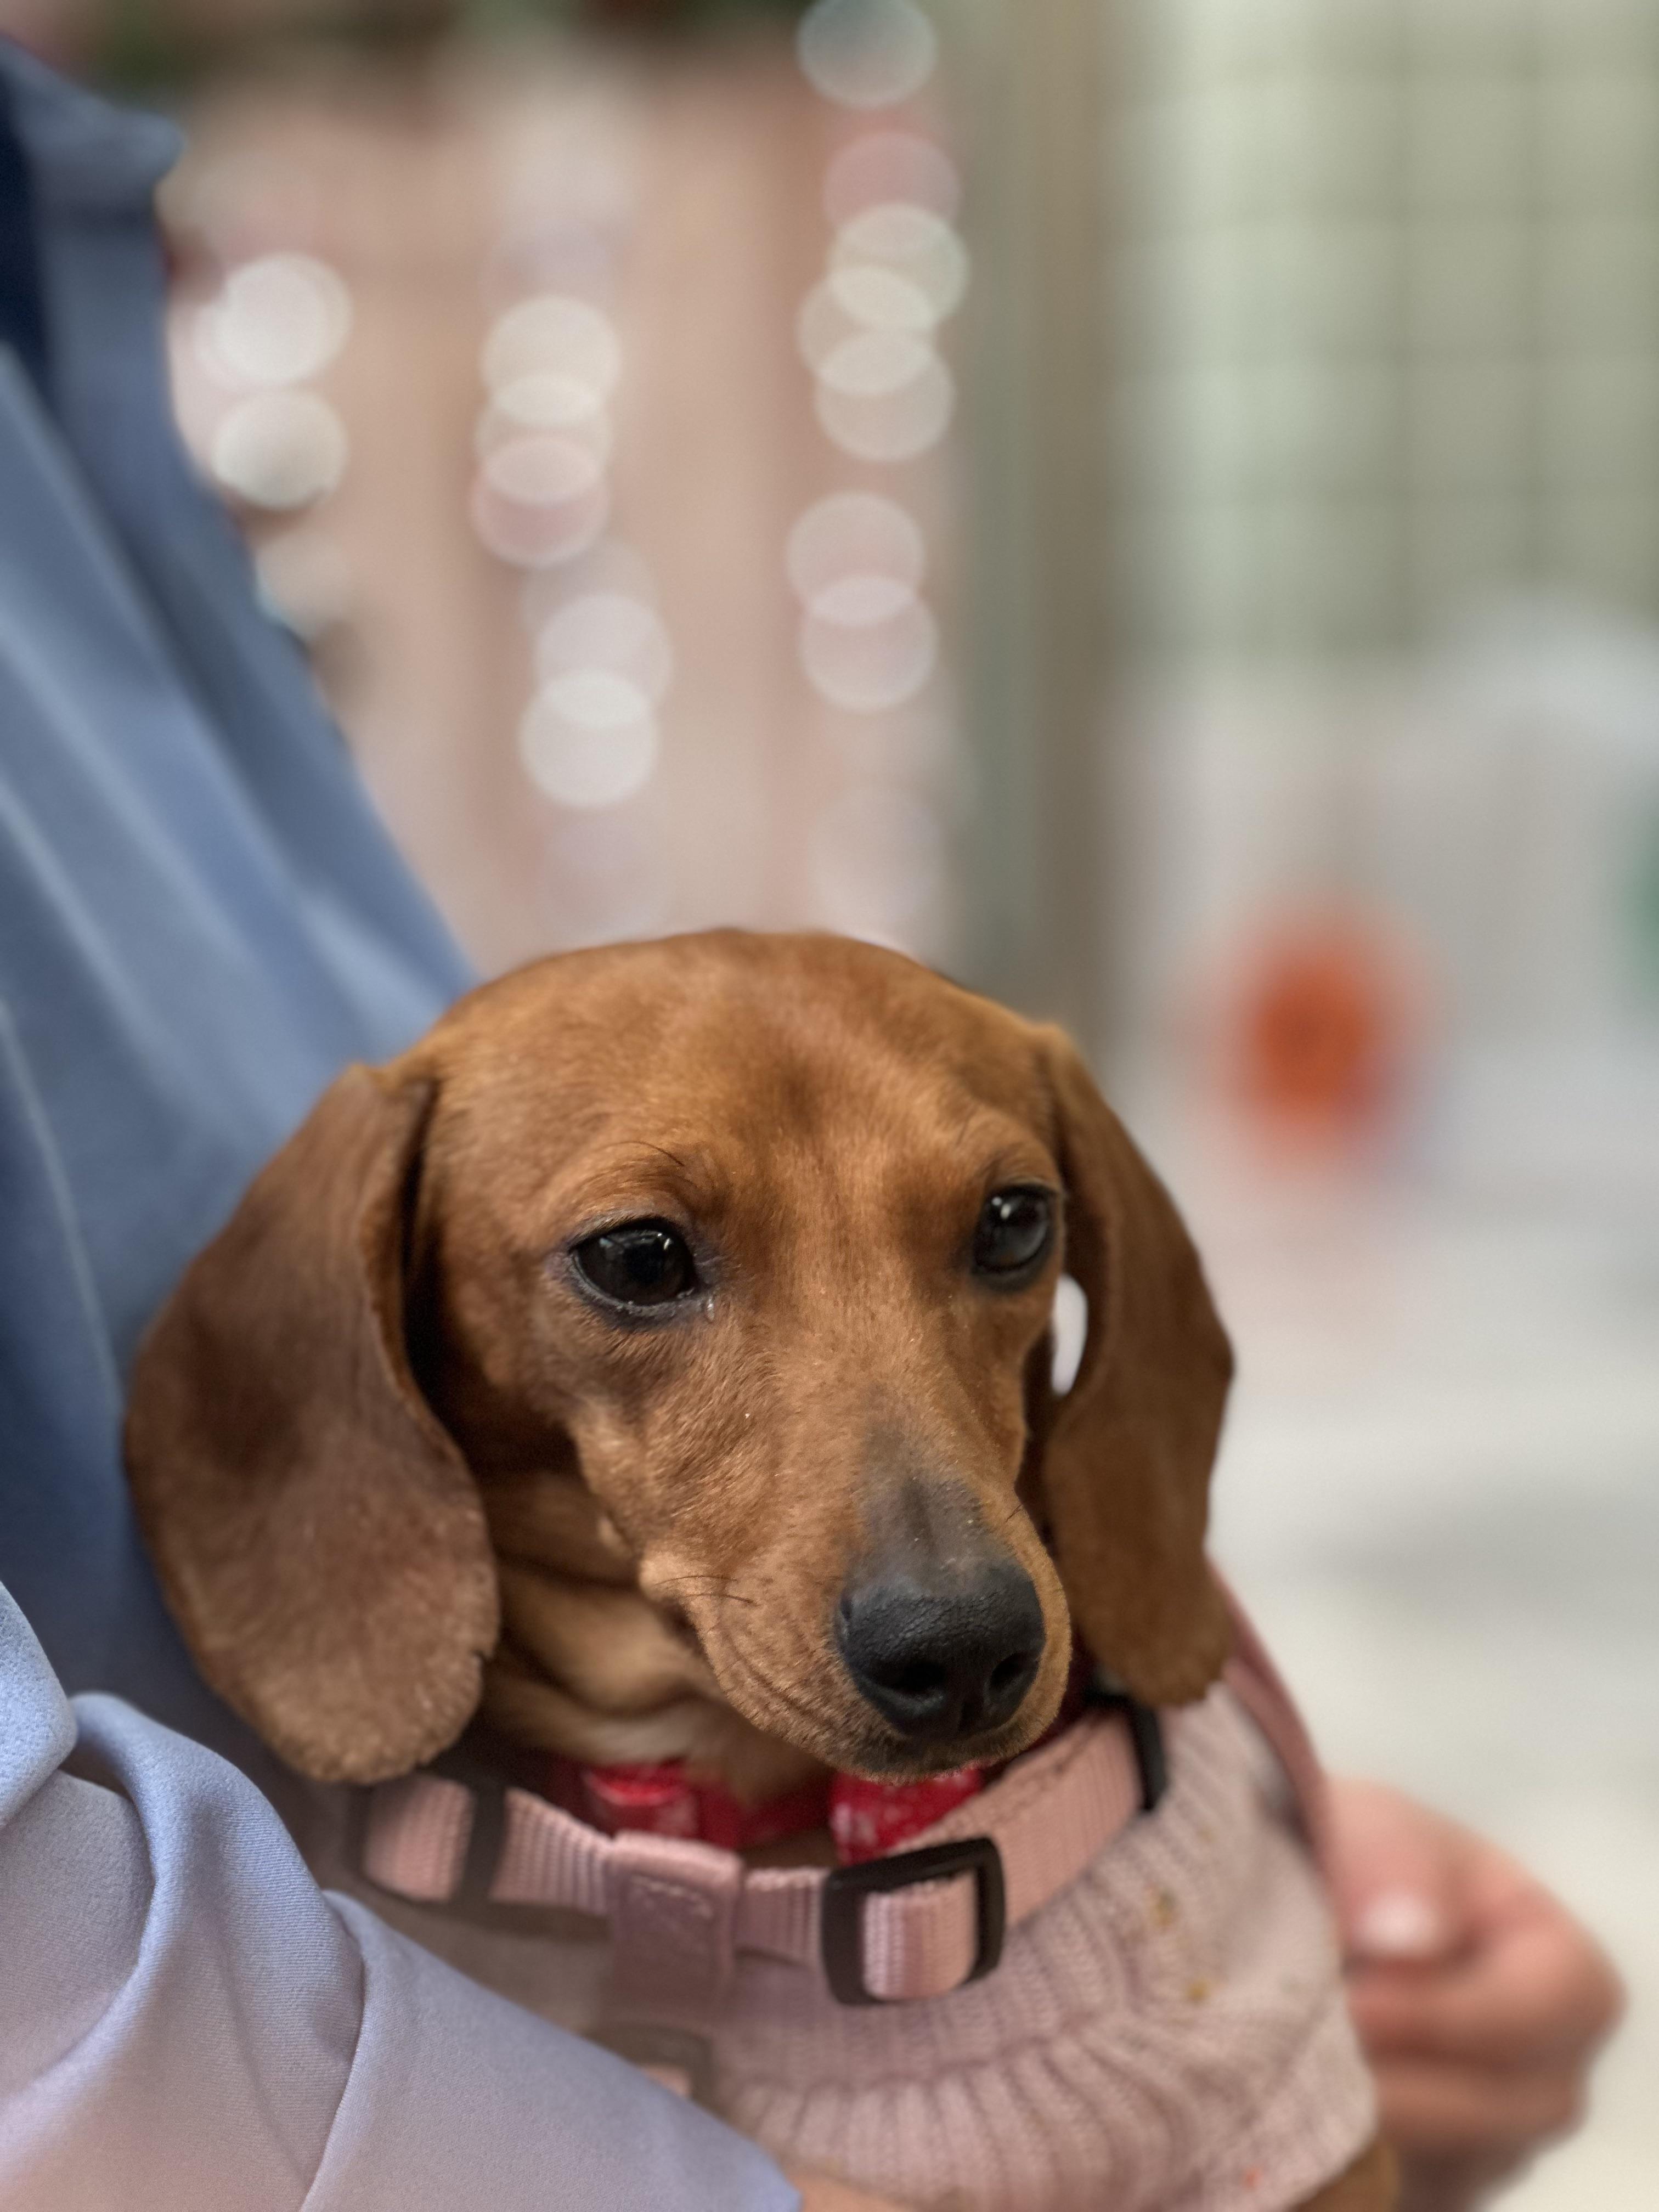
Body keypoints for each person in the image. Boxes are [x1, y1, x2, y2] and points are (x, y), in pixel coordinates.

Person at [0, 36, 1621, 2212]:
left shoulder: (74, 280)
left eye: (999, 1233)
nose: (950, 1588)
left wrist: (1226, 1858)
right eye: (648, 1265)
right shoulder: (364, 1264)